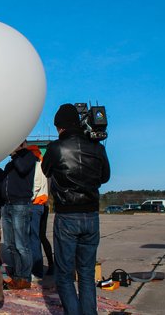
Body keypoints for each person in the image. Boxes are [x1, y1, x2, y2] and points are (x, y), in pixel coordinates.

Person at [42, 104, 110, 315]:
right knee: (87, 274)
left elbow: (46, 170)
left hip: (67, 215)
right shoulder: (97, 147)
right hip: (91, 215)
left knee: (64, 274)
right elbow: (105, 177)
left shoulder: (56, 147)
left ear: (60, 127)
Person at [0, 140, 38, 289]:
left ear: (22, 144)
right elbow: (1, 184)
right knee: (11, 245)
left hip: (20, 205)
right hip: (7, 207)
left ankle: (24, 277)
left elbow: (23, 169)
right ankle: (16, 275)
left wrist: (14, 154)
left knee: (21, 245)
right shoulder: (9, 165)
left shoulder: (29, 157)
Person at [26, 144, 53, 278]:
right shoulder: (44, 166)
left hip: (35, 204)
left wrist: (27, 198)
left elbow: (35, 185)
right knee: (41, 236)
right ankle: (51, 265)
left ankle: (36, 270)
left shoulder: (36, 166)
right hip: (43, 205)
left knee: (34, 238)